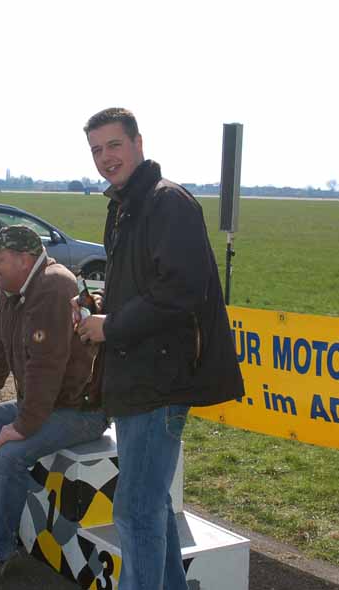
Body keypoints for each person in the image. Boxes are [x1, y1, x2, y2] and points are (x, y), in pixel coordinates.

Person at [75, 108, 245, 590]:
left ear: (138, 142)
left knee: (136, 510)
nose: (106, 158)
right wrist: (102, 307)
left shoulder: (166, 202)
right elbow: (146, 285)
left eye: (113, 145)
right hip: (136, 378)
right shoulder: (127, 204)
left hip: (159, 381)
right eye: (96, 150)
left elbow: (181, 291)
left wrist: (112, 327)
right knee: (149, 507)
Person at [0, 225, 108, 587]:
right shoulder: (13, 288)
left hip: (80, 412)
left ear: (25, 259)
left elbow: (46, 366)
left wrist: (22, 426)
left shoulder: (52, 287)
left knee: (9, 454)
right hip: (45, 403)